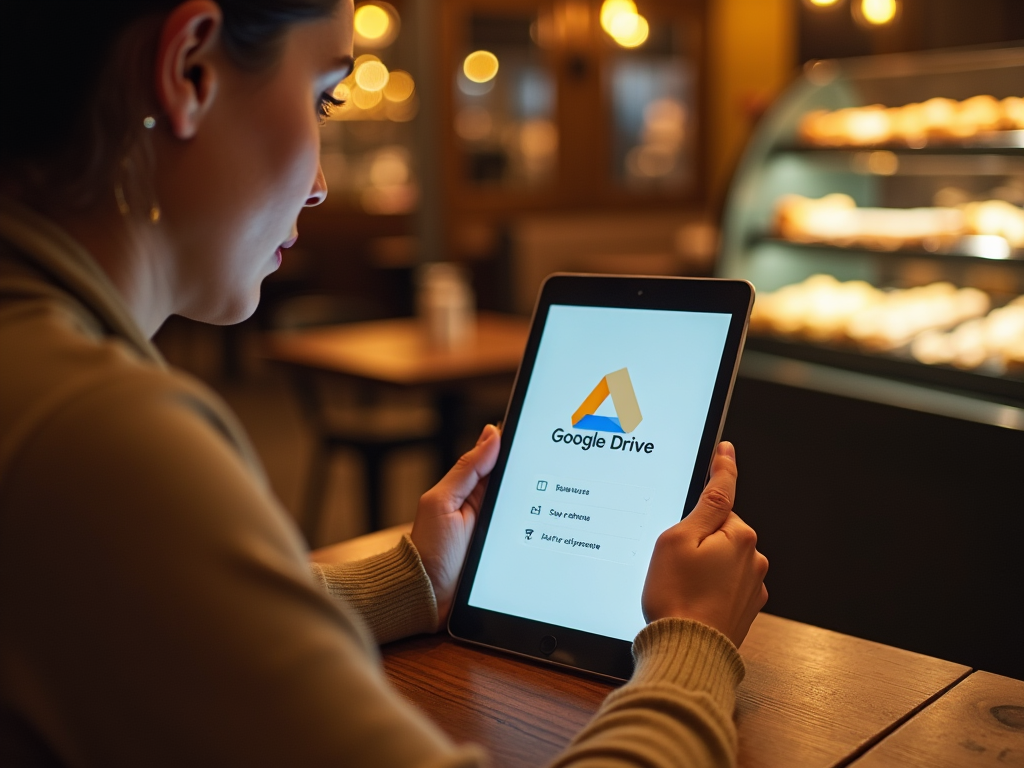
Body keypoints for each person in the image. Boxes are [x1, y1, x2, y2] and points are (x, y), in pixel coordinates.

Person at [0, 1, 769, 766]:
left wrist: (411, 584)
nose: (322, 183)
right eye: (321, 97)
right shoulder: (96, 438)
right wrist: (692, 646)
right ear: (190, 71)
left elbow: (152, 625)